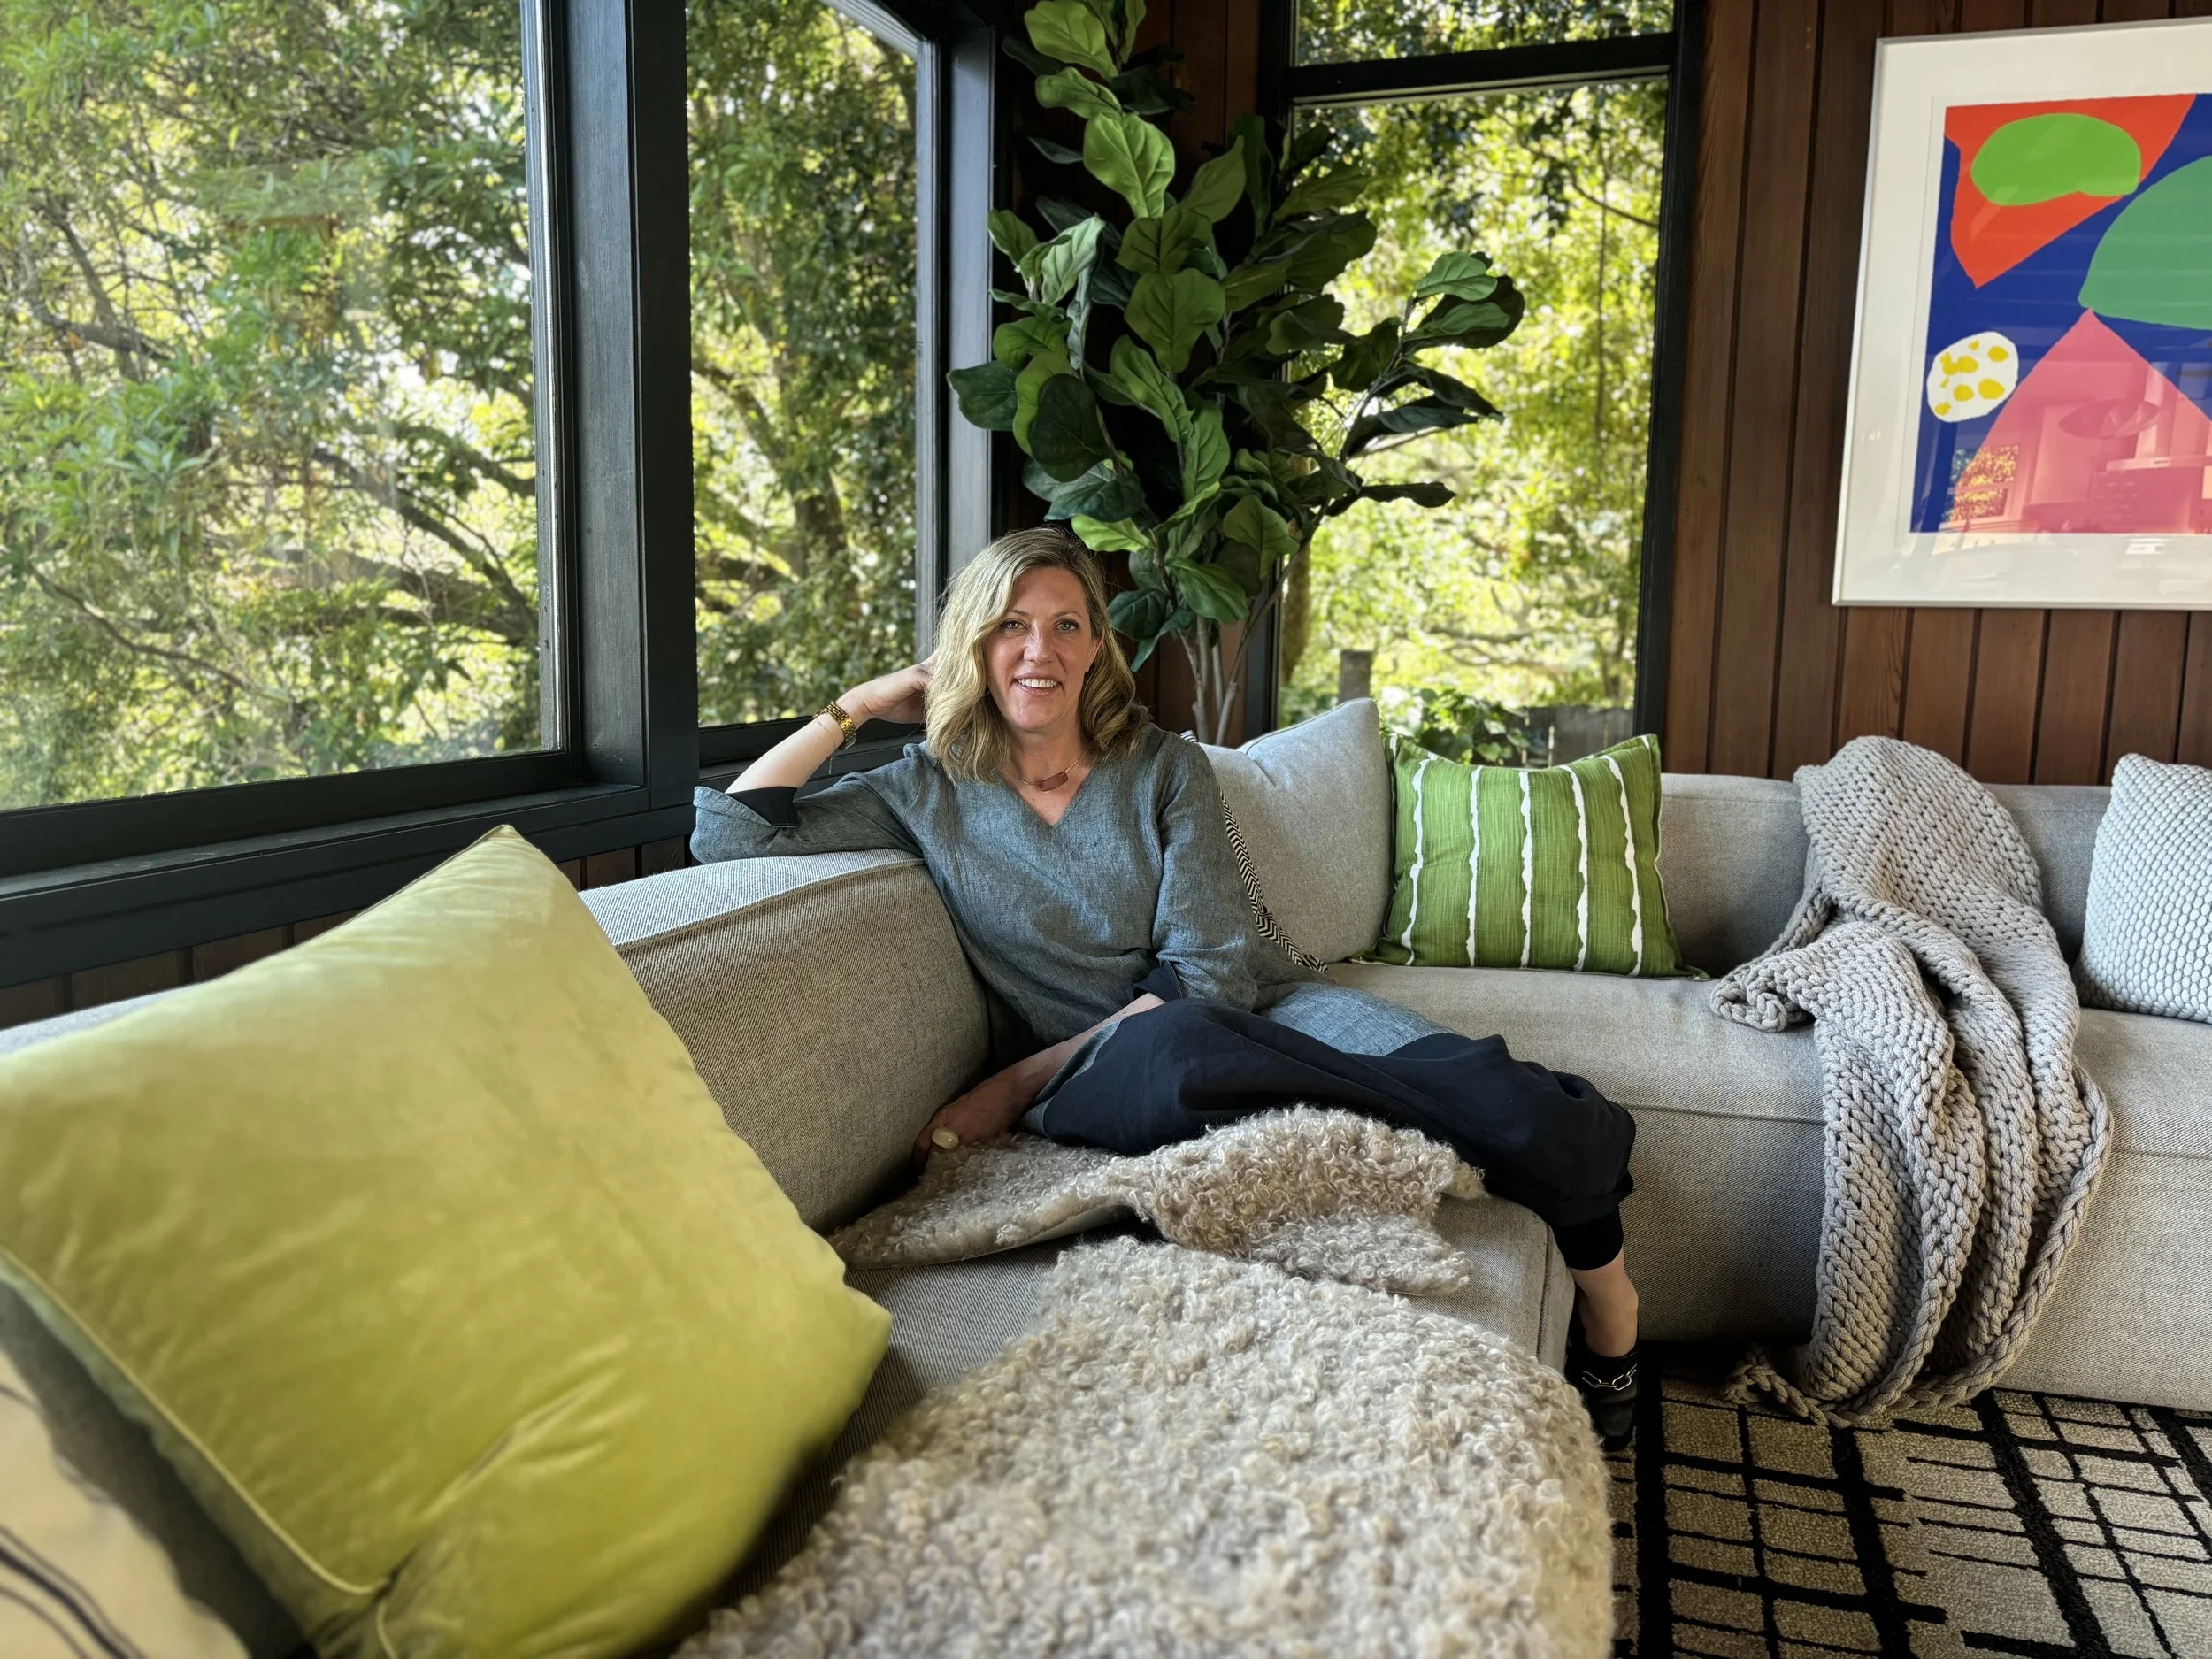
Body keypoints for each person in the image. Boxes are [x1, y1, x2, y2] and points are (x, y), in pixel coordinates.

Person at [691, 527, 1643, 1447]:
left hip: (1245, 1016)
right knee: (1181, 1053)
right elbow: (729, 832)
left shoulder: (1162, 767)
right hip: (1117, 1071)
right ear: (971, 645)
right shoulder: (924, 787)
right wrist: (858, 705)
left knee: (1493, 1085)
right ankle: (1472, 1123)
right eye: (1011, 625)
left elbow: (1212, 973)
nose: (1039, 651)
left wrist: (1012, 1084)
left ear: (1095, 649)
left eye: (1066, 625)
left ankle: (1612, 1312)